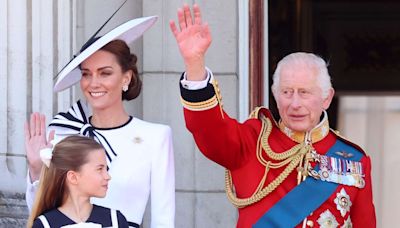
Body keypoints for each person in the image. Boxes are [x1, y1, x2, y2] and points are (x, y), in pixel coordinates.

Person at [170, 4, 376, 228]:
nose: (295, 103)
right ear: (276, 97)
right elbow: (210, 129)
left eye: (304, 92)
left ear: (327, 98)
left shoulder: (354, 161)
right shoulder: (253, 142)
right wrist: (194, 64)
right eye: (287, 92)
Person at [25, 16, 175, 228]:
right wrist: (37, 170)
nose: (93, 83)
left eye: (105, 73)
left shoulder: (156, 137)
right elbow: (40, 214)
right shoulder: (62, 133)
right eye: (87, 74)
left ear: (126, 78)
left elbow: (164, 219)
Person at [27, 135, 129, 228]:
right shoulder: (45, 224)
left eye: (106, 169)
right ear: (73, 177)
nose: (108, 176)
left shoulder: (116, 220)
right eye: (100, 169)